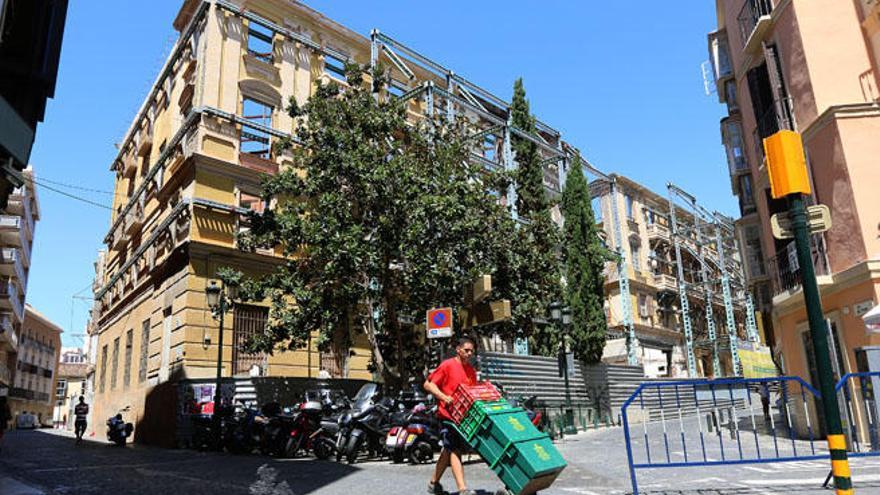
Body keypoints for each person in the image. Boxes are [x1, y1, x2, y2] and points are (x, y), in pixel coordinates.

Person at [423, 336, 478, 495]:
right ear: (458, 350)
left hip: (462, 418)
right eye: (466, 350)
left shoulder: (471, 371)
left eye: (471, 351)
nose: (469, 354)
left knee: (447, 451)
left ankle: (434, 483)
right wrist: (444, 397)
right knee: (454, 449)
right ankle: (462, 489)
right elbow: (428, 384)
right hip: (447, 416)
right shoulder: (447, 365)